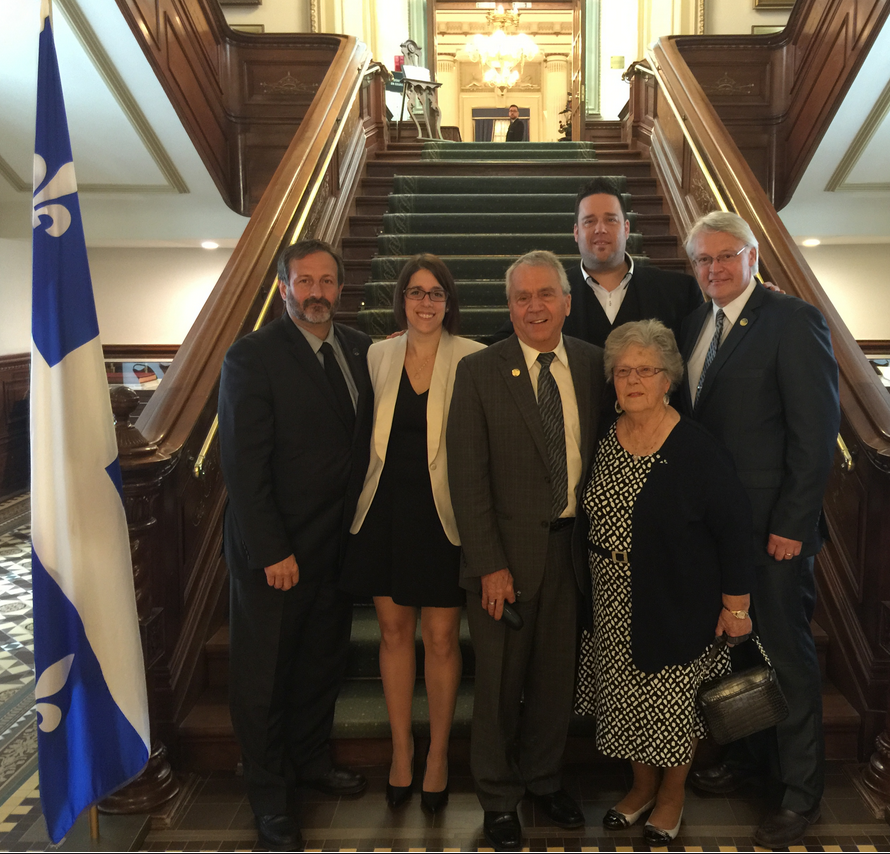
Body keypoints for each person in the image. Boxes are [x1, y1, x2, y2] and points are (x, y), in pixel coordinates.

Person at [676, 211, 840, 849]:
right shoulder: (695, 325)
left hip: (773, 534)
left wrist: (794, 524)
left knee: (788, 660)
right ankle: (749, 763)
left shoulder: (792, 320)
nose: (712, 269)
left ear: (751, 258)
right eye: (702, 261)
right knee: (737, 654)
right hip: (716, 533)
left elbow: (815, 432)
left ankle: (801, 795)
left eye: (724, 256)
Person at [447, 250, 606, 851]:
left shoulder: (593, 365)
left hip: (572, 556)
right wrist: (489, 564)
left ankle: (543, 778)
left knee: (553, 684)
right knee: (497, 688)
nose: (535, 306)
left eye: (546, 294)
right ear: (508, 307)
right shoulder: (480, 372)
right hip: (503, 563)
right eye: (522, 297)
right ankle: (498, 796)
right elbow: (468, 477)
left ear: (567, 301)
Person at [218, 239, 374, 851]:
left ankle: (311, 762)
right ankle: (269, 792)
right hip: (276, 553)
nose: (316, 292)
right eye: (304, 281)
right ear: (284, 287)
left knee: (320, 664)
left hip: (337, 546)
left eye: (327, 281)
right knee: (264, 679)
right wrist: (270, 549)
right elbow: (243, 463)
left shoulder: (361, 349)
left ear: (341, 286)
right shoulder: (251, 357)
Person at [574, 319, 754, 844]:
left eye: (645, 371)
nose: (633, 381)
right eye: (623, 371)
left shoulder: (696, 447)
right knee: (626, 699)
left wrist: (736, 607)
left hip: (679, 600)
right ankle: (640, 787)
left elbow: (735, 529)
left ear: (668, 378)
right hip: (610, 599)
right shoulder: (605, 437)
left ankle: (671, 796)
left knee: (671, 706)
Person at [341, 254, 483, 813]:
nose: (426, 302)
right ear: (401, 299)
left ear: (450, 302)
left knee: (443, 640)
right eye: (416, 292)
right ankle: (402, 752)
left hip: (442, 517)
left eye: (436, 293)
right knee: (395, 635)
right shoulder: (378, 355)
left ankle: (438, 756)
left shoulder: (472, 357)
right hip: (384, 514)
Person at [488, 177, 704, 346]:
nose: (600, 229)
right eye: (589, 221)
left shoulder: (680, 292)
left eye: (611, 219)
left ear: (626, 228)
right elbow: (501, 344)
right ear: (576, 232)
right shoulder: (549, 292)